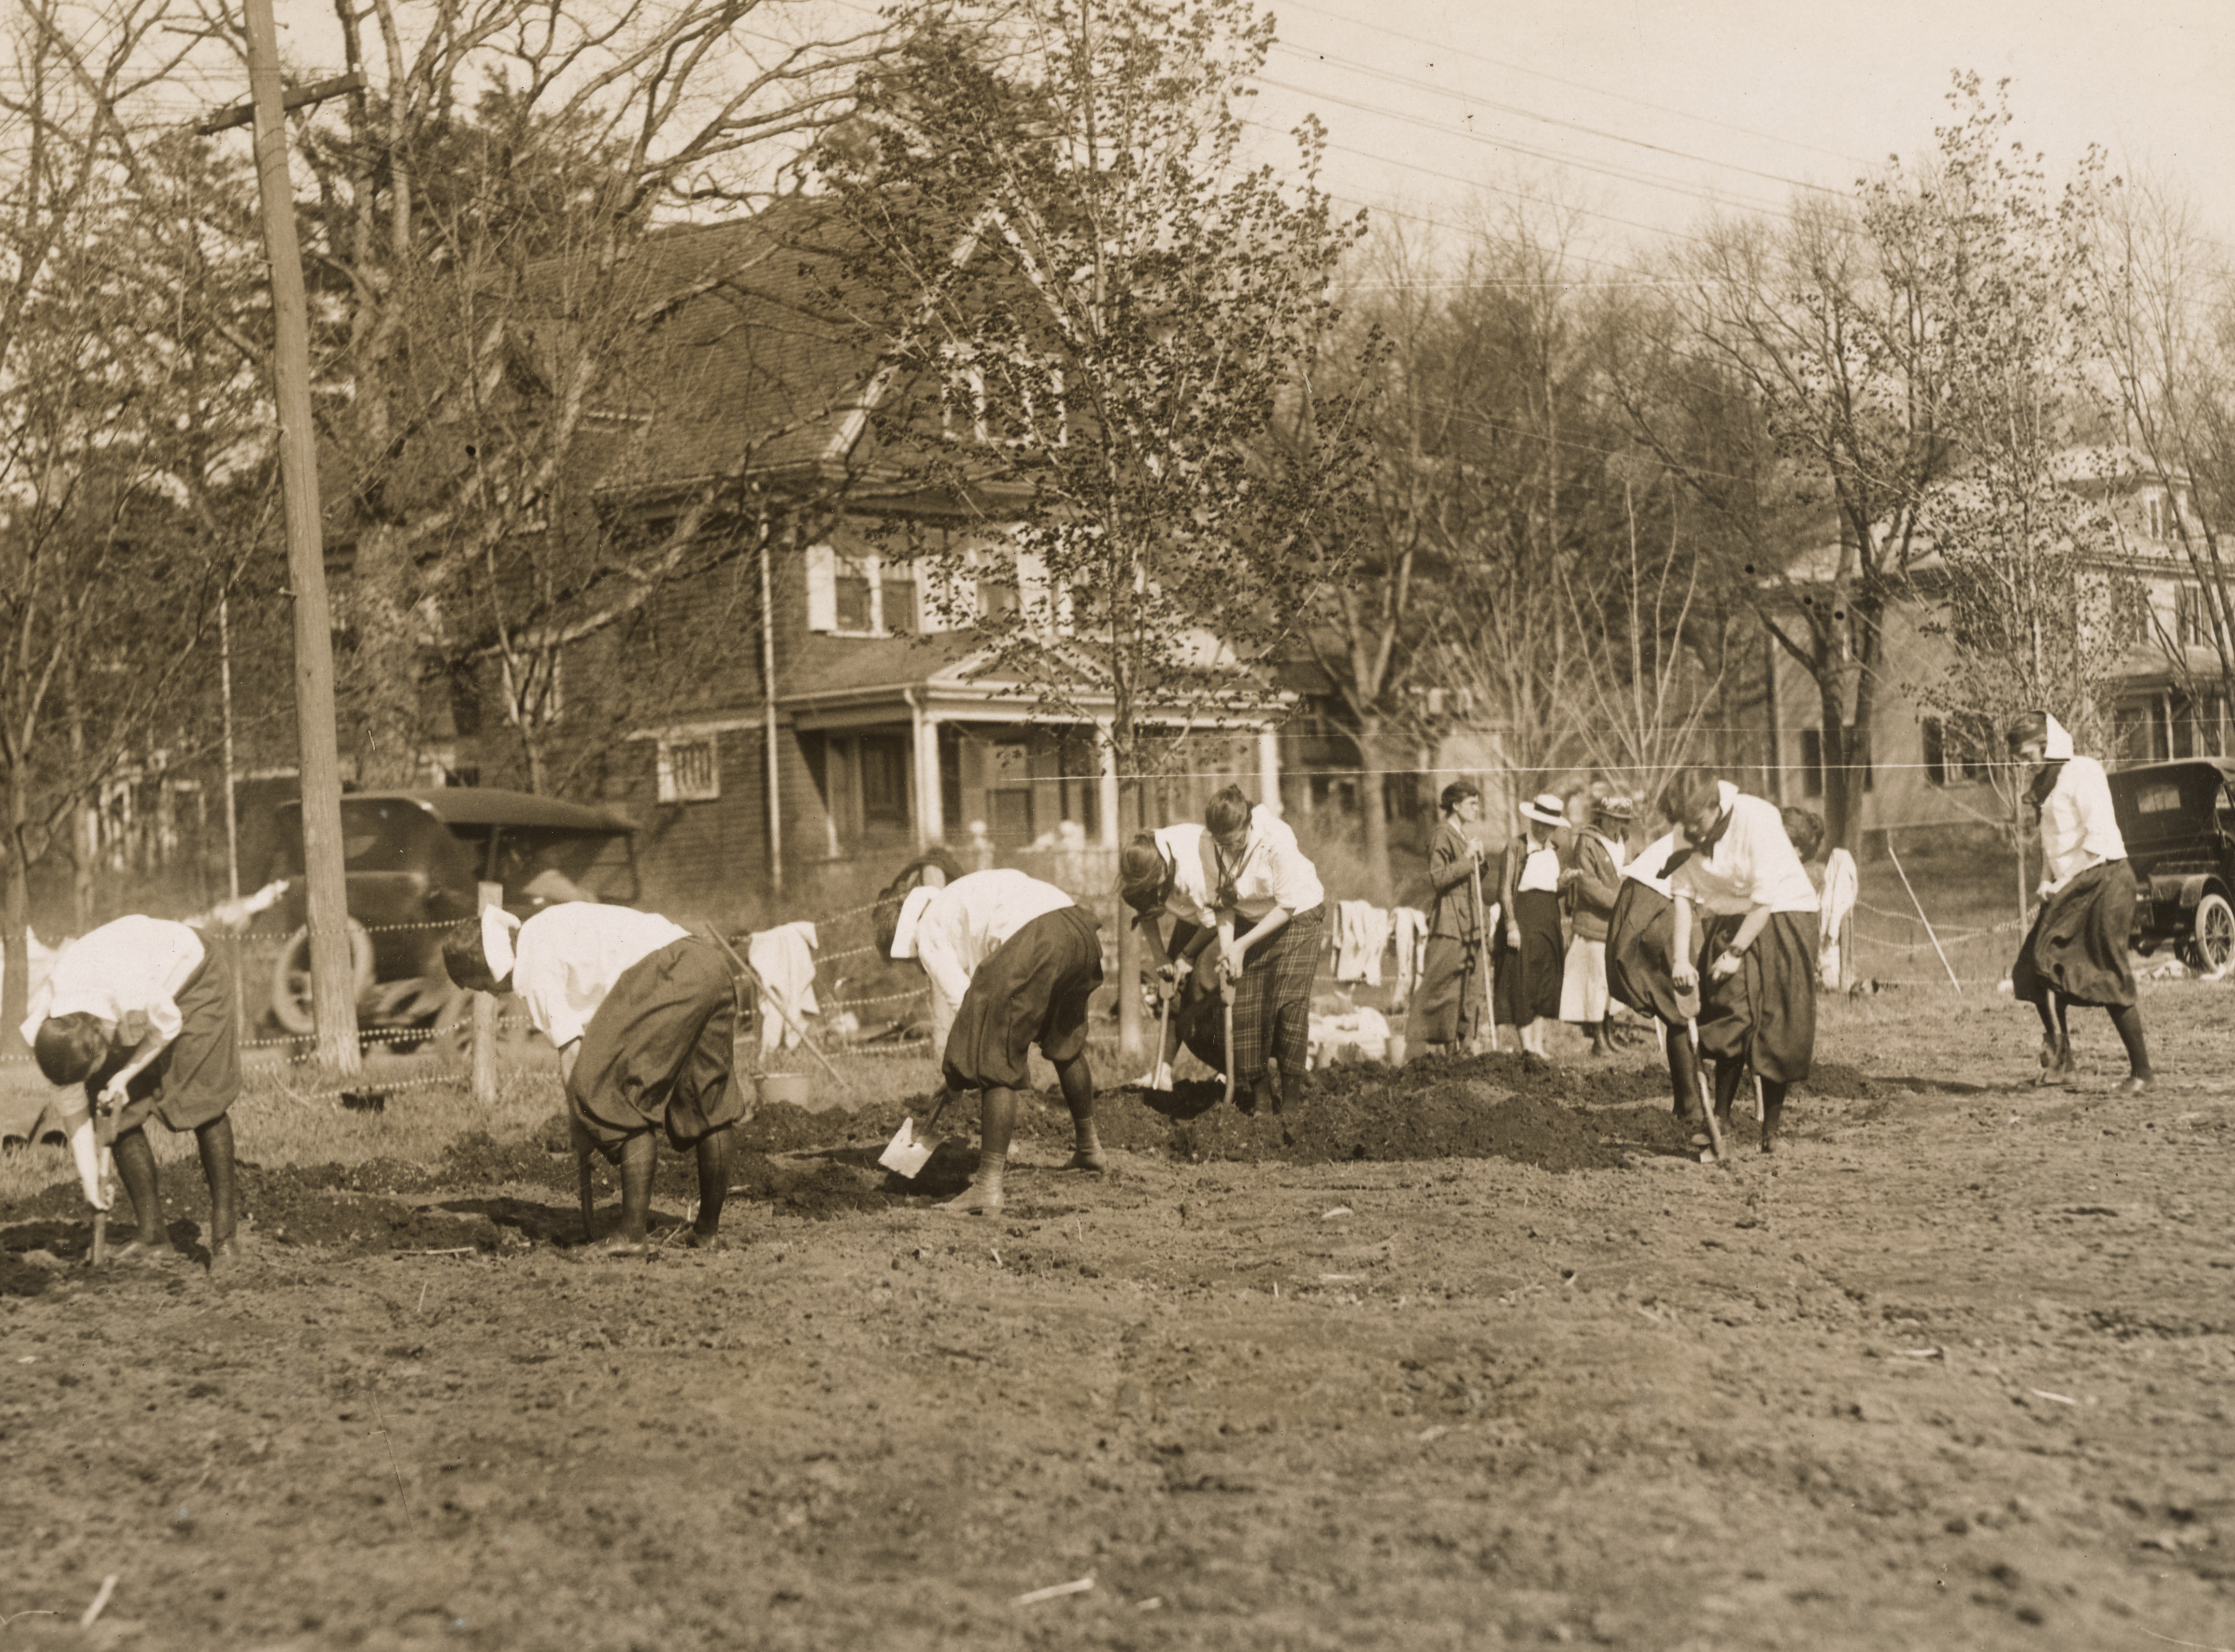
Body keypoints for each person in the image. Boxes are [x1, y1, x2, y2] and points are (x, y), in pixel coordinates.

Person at [441, 903, 743, 1253]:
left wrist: (582, 1120)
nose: (491, 994)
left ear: (488, 966)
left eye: (480, 986)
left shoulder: (531, 966)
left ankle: (631, 1236)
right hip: (707, 963)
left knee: (611, 1095)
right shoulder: (541, 928)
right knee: (708, 1103)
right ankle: (707, 1233)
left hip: (668, 972)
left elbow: (572, 1052)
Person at [877, 865, 1106, 1214]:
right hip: (1077, 929)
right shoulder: (958, 900)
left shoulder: (927, 931)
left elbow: (967, 1007)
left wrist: (958, 1075)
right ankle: (1089, 1148)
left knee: (994, 1057)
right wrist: (957, 1077)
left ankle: (986, 1188)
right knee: (1064, 1041)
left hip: (1036, 938)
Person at [23, 914, 242, 1269]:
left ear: (99, 1037)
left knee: (203, 1103)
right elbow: (74, 1112)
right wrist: (90, 1183)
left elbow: (166, 1027)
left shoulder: (128, 988)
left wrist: (124, 1075)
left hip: (194, 975)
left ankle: (225, 1240)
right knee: (114, 1108)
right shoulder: (51, 1031)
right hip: (130, 996)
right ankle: (154, 1238)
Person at [1664, 768, 1820, 1153]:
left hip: (1784, 912)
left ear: (1715, 806)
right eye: (1685, 823)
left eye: (1697, 821)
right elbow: (1682, 898)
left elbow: (1764, 901)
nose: (1692, 831)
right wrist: (1681, 959)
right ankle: (1721, 1118)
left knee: (1776, 1020)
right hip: (1731, 916)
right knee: (1729, 1010)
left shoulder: (1757, 818)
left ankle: (1772, 1131)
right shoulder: (1685, 832)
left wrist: (1734, 953)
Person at [2008, 710, 2153, 1094]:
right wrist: (2045, 880)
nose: (2023, 765)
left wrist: (2062, 883)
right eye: (2018, 759)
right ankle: (2062, 1065)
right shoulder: (2045, 782)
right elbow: (2050, 844)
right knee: (2033, 969)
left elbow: (2097, 840)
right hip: (2071, 885)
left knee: (2106, 972)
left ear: (2046, 745)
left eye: (2027, 755)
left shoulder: (2083, 771)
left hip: (2105, 881)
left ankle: (2143, 1073)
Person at [1172, 785, 1326, 1115]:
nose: (1230, 848)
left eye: (1236, 841)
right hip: (1250, 921)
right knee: (1246, 1008)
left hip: (1297, 917)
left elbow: (1287, 906)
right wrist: (1229, 951)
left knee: (1289, 1006)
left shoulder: (1276, 838)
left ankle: (1291, 1104)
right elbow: (1222, 903)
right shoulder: (1208, 844)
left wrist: (1241, 945)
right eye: (1223, 843)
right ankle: (1261, 1100)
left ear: (1248, 824)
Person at [1605, 808, 1709, 1123]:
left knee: (1679, 1006)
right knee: (1680, 1005)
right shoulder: (1713, 834)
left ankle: (1685, 1104)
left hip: (1652, 899)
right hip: (1654, 903)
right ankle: (1691, 1107)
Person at [1117, 821, 1219, 1090]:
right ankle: (1162, 1072)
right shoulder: (1141, 863)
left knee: (1204, 984)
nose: (1156, 894)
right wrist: (1161, 957)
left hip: (1226, 913)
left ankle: (1229, 1071)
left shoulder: (1192, 871)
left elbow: (1213, 920)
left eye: (1158, 886)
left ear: (1164, 867)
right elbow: (1145, 911)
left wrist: (1187, 955)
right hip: (1196, 912)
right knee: (1173, 987)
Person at [1410, 780, 1494, 1055]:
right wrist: (1467, 858)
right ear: (1456, 806)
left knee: (1471, 988)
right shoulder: (1441, 835)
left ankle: (1464, 1047)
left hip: (1471, 922)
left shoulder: (1462, 836)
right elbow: (1437, 879)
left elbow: (1470, 877)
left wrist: (1479, 861)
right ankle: (1425, 1049)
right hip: (1450, 922)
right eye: (1472, 804)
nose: (1477, 809)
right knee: (1443, 987)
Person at [1495, 792, 1569, 1066]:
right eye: (1539, 823)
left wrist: (1564, 883)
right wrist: (1511, 925)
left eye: (1549, 826)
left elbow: (1551, 889)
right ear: (1532, 820)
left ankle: (1538, 1045)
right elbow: (1505, 889)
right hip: (1523, 917)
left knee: (1544, 981)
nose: (1543, 829)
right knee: (1523, 979)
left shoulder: (1553, 850)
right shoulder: (1517, 846)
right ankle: (1526, 1047)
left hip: (1548, 920)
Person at [1560, 794, 1631, 1055]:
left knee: (1612, 982)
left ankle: (1610, 1033)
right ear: (1601, 817)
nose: (1615, 824)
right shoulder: (1587, 842)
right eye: (1611, 818)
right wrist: (1620, 903)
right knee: (1596, 980)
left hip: (1617, 923)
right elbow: (1589, 885)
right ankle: (1598, 1039)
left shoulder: (1625, 841)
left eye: (1621, 819)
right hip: (1595, 922)